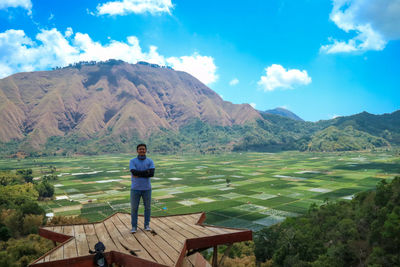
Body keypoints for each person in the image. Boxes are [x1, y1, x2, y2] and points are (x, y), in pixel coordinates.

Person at [129, 143, 155, 233]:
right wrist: (146, 173)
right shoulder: (132, 161)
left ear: (146, 150)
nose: (142, 150)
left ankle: (147, 225)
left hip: (147, 189)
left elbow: (151, 174)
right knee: (134, 208)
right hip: (135, 189)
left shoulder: (150, 161)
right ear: (137, 151)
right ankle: (134, 226)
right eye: (140, 149)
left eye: (143, 149)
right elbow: (133, 172)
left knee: (147, 208)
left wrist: (138, 174)